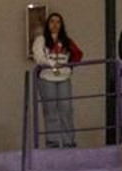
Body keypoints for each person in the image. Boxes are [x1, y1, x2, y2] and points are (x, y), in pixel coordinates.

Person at [33, 12, 81, 149]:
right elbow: (39, 57)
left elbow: (77, 54)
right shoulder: (41, 40)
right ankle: (52, 142)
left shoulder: (67, 40)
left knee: (66, 109)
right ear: (48, 25)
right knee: (50, 110)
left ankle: (68, 142)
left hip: (64, 77)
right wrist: (52, 64)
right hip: (47, 77)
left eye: (58, 22)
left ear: (61, 25)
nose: (55, 24)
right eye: (52, 21)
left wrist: (69, 69)